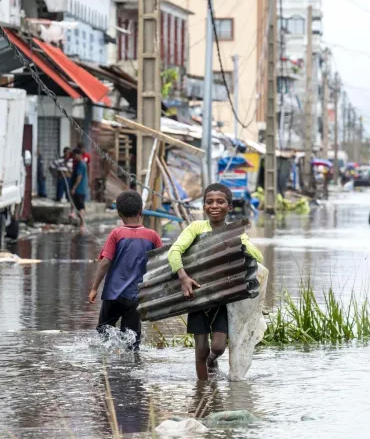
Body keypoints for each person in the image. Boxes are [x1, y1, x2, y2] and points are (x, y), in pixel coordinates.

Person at [168, 183, 263, 381]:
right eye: (209, 202)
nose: (214, 206)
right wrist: (183, 277)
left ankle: (213, 361)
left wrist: (240, 245)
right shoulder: (196, 228)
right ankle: (202, 391)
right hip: (197, 297)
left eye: (220, 202)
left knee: (218, 347)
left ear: (229, 207)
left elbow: (258, 257)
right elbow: (174, 251)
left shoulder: (235, 232)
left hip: (222, 300)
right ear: (203, 206)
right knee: (200, 350)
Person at [88, 190, 163, 350]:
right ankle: (129, 370)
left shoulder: (116, 234)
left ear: (119, 213)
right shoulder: (152, 236)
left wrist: (94, 288)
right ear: (141, 212)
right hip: (135, 296)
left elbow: (105, 262)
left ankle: (108, 366)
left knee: (104, 333)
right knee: (132, 341)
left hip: (112, 295)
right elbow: (161, 263)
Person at [70, 148, 89, 231]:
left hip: (79, 190)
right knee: (79, 206)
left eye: (74, 156)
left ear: (78, 155)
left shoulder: (81, 164)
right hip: (81, 189)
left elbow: (79, 177)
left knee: (80, 207)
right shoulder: (82, 164)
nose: (73, 158)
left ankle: (82, 224)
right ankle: (81, 224)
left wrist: (74, 187)